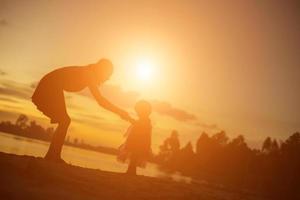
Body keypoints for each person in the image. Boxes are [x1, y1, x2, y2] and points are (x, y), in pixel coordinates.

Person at [32, 59, 131, 163]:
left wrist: (120, 112)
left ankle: (52, 155)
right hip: (50, 85)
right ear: (102, 71)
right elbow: (100, 100)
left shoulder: (88, 73)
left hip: (51, 85)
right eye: (107, 75)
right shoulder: (88, 74)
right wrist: (120, 112)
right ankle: (53, 156)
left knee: (64, 121)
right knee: (65, 121)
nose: (107, 79)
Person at [117, 100, 152, 175]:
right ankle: (131, 170)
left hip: (139, 140)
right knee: (134, 155)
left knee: (135, 155)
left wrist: (129, 118)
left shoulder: (146, 120)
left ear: (143, 111)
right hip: (136, 139)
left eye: (138, 111)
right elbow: (137, 125)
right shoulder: (144, 119)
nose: (137, 113)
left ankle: (131, 171)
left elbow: (139, 126)